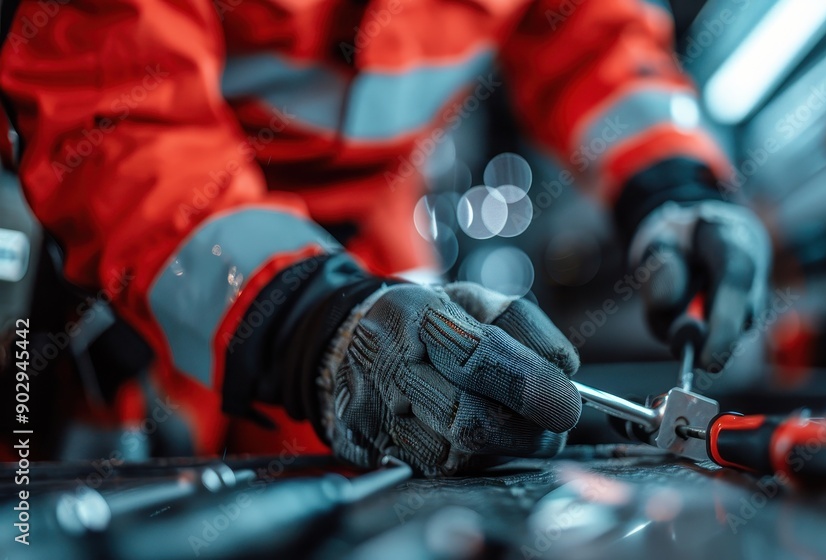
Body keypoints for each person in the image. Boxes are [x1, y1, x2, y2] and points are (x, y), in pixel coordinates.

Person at [0, 0, 769, 475]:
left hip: (367, 236)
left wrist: (672, 186)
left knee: (406, 453)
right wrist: (303, 325)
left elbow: (593, 34)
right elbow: (111, 113)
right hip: (155, 242)